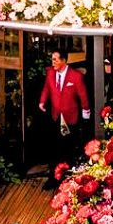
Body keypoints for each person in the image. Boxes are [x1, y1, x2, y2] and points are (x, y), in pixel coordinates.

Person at [39, 50, 91, 183]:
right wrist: (42, 101)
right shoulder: (50, 72)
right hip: (55, 116)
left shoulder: (76, 76)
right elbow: (46, 88)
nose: (53, 62)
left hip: (71, 117)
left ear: (64, 61)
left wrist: (86, 111)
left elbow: (83, 95)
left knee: (69, 147)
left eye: (56, 59)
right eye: (52, 59)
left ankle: (69, 180)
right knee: (54, 147)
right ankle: (53, 178)